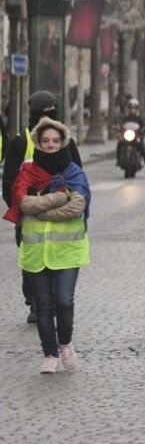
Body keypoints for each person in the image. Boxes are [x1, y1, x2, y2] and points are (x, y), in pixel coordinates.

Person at [4, 118, 91, 373]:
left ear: (62, 142)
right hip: (36, 251)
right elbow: (23, 203)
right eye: (45, 141)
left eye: (55, 141)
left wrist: (42, 208)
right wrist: (58, 197)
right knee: (42, 305)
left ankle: (65, 344)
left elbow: (77, 207)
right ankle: (50, 353)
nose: (51, 145)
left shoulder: (74, 172)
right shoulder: (26, 173)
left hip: (67, 251)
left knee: (64, 301)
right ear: (38, 144)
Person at [3, 91, 83, 324]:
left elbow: (78, 179)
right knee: (32, 263)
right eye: (44, 113)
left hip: (61, 218)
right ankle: (36, 304)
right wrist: (20, 210)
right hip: (29, 216)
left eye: (53, 113)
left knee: (58, 262)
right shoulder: (20, 143)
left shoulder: (66, 142)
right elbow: (8, 182)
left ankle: (54, 301)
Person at [118, 98, 145, 177]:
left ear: (137, 109)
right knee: (119, 145)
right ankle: (119, 161)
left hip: (137, 138)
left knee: (144, 152)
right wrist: (118, 128)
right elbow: (120, 125)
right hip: (126, 137)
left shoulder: (140, 119)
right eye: (131, 108)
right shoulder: (125, 118)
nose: (132, 110)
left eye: (134, 108)